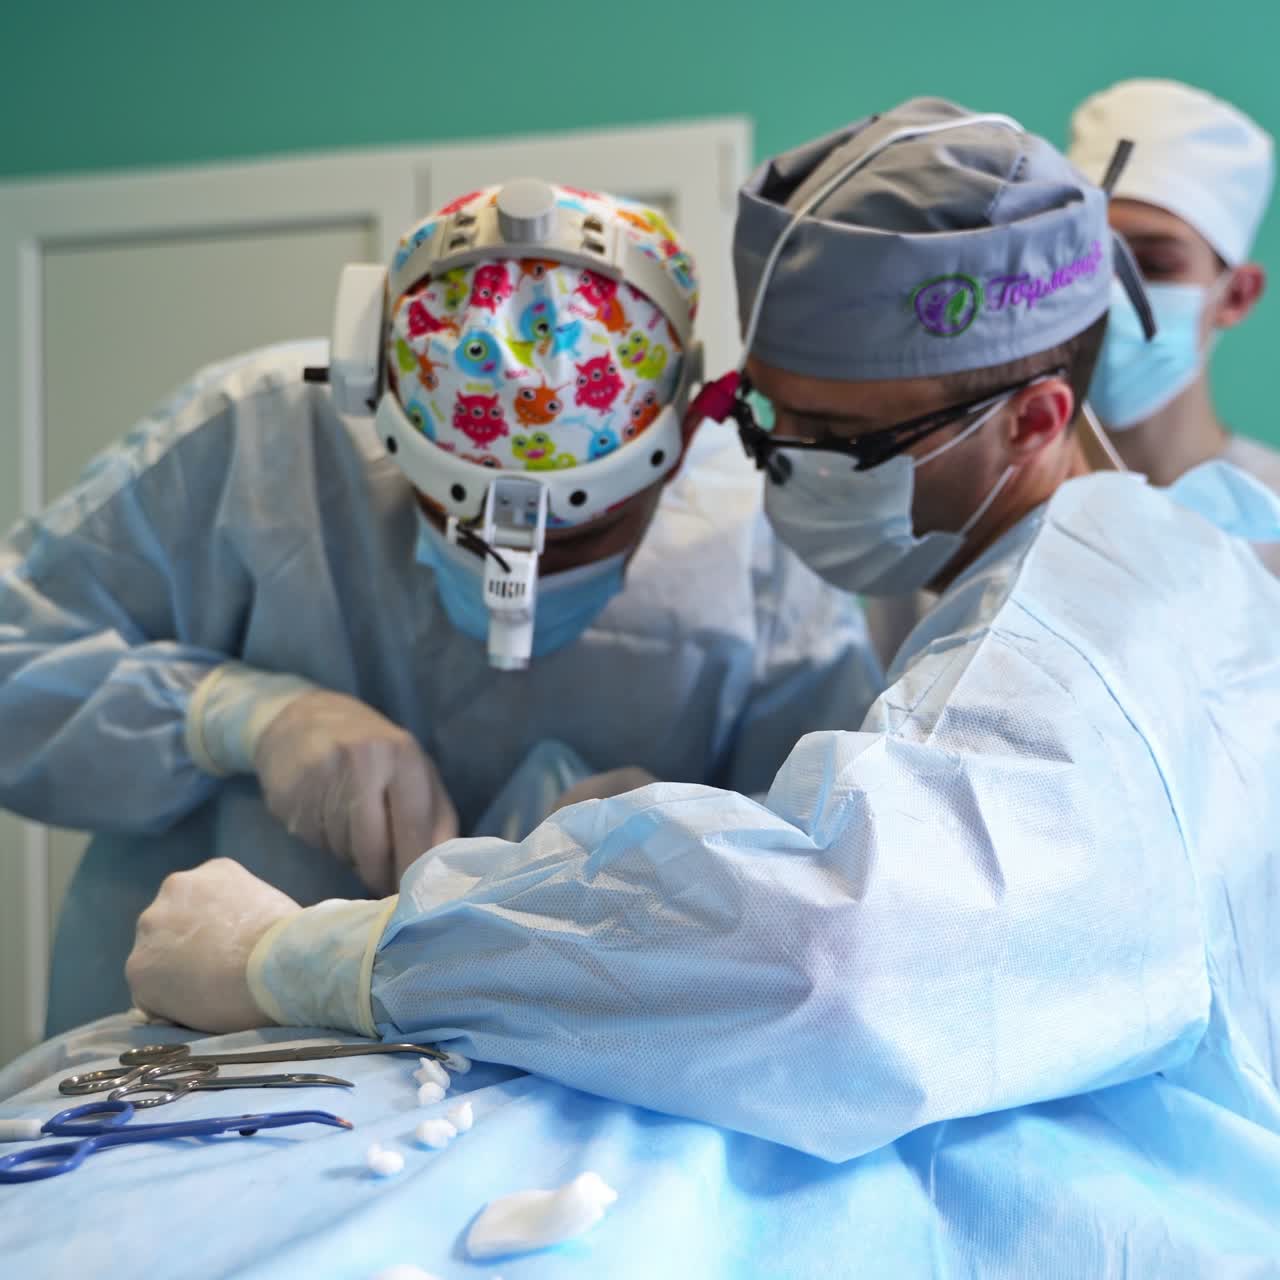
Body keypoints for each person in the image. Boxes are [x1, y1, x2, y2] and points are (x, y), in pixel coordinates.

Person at [127, 100, 1280, 1269]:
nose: (777, 472)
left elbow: (829, 950)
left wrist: (313, 956)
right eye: (760, 417)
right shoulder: (1158, 553)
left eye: (832, 440)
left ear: (1031, 419)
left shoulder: (1049, 651)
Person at [0, 180, 883, 1036]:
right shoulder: (259, 444)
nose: (520, 578)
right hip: (204, 1044)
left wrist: (701, 851)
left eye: (578, 540)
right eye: (469, 525)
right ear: (371, 400)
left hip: (581, 1051)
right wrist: (235, 717)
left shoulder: (758, 527)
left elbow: (836, 869)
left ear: (683, 434)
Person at [1069, 78, 1280, 573]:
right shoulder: (978, 515)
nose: (1111, 292)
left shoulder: (1269, 523)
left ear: (1235, 295)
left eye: (1155, 265)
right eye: (1086, 257)